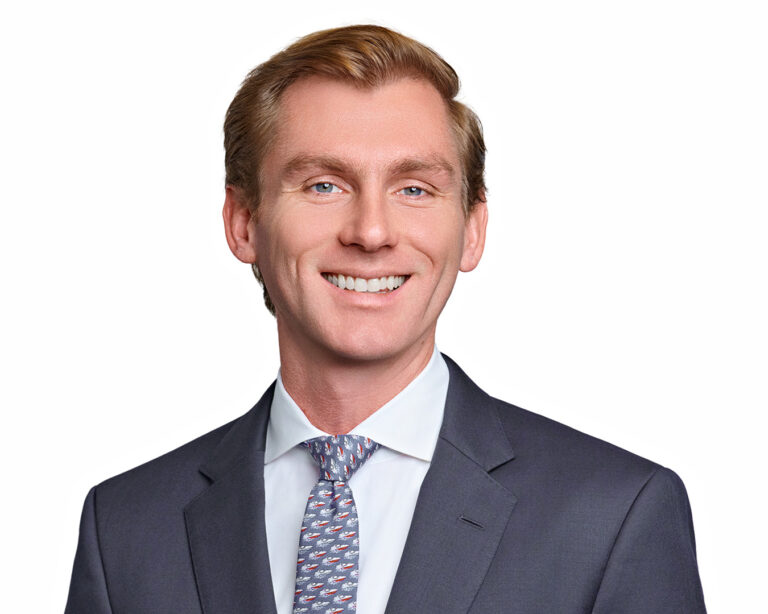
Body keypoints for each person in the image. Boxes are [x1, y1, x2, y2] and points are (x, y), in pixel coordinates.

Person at [65, 25, 707, 613]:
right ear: (243, 222)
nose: (371, 231)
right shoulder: (123, 529)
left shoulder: (615, 516)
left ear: (473, 229)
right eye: (323, 185)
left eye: (414, 189)